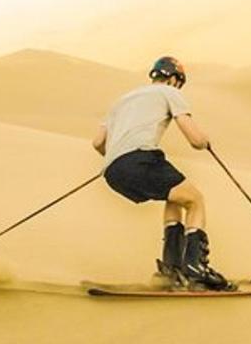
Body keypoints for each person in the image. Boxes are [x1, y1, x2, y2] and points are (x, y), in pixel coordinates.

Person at [92, 56, 235, 290]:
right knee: (196, 200)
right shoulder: (170, 93)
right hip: (141, 160)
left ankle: (171, 270)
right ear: (174, 79)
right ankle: (196, 269)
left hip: (113, 170)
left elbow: (98, 143)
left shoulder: (121, 101)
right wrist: (204, 141)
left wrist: (120, 159)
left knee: (176, 197)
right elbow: (195, 140)